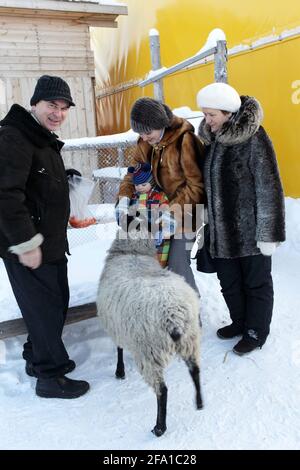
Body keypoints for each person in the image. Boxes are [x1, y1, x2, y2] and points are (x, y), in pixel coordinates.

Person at [0, 75, 89, 398]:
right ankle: (50, 377)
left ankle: (36, 357)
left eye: (65, 107)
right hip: (29, 245)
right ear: (35, 103)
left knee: (53, 305)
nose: (58, 113)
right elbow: (6, 195)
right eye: (52, 105)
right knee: (46, 309)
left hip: (49, 242)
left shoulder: (39, 137)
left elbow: (33, 180)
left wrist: (63, 180)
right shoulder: (14, 137)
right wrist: (26, 243)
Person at [196, 82, 285, 355]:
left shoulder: (254, 139)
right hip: (221, 234)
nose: (206, 120)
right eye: (205, 114)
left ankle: (256, 331)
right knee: (229, 282)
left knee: (256, 283)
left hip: (250, 233)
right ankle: (240, 322)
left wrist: (269, 234)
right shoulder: (213, 141)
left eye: (211, 114)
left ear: (228, 113)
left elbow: (269, 187)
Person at [117, 97, 205, 293]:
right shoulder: (145, 143)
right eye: (140, 133)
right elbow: (133, 174)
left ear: (161, 124)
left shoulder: (185, 140)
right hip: (154, 210)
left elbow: (197, 185)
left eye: (148, 132)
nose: (144, 137)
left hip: (187, 212)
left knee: (177, 266)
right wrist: (123, 199)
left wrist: (172, 213)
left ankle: (189, 316)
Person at [116, 162, 176, 268]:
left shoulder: (160, 196)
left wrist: (162, 233)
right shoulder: (133, 197)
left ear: (151, 182)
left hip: (157, 242)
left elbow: (168, 217)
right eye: (136, 185)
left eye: (143, 184)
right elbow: (123, 216)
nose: (140, 187)